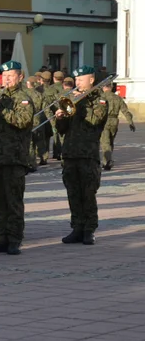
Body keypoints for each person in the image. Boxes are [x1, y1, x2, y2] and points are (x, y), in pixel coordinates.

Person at [0, 61, 34, 255]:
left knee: (13, 201)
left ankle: (14, 239)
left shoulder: (24, 98)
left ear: (20, 77)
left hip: (14, 157)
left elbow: (21, 121)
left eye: (12, 75)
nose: (8, 79)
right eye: (5, 75)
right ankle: (1, 236)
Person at [56, 66, 108, 245]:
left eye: (81, 79)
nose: (77, 82)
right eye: (76, 79)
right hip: (70, 152)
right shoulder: (71, 98)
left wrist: (80, 105)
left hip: (87, 154)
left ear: (91, 80)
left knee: (88, 192)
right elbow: (62, 131)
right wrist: (60, 117)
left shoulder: (99, 99)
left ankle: (89, 229)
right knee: (73, 192)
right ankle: (76, 227)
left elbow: (94, 120)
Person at [100, 82, 135, 170]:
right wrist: (130, 122)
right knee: (110, 141)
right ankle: (107, 161)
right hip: (114, 121)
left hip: (104, 121)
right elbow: (125, 111)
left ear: (104, 88)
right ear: (111, 88)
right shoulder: (118, 98)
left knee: (105, 142)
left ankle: (107, 161)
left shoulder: (102, 97)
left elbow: (99, 110)